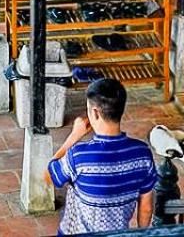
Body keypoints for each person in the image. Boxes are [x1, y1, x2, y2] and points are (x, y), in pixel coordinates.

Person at [47, 78, 158, 233]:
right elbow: (146, 208)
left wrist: (74, 136)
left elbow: (49, 176)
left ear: (95, 113)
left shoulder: (79, 156)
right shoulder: (143, 154)